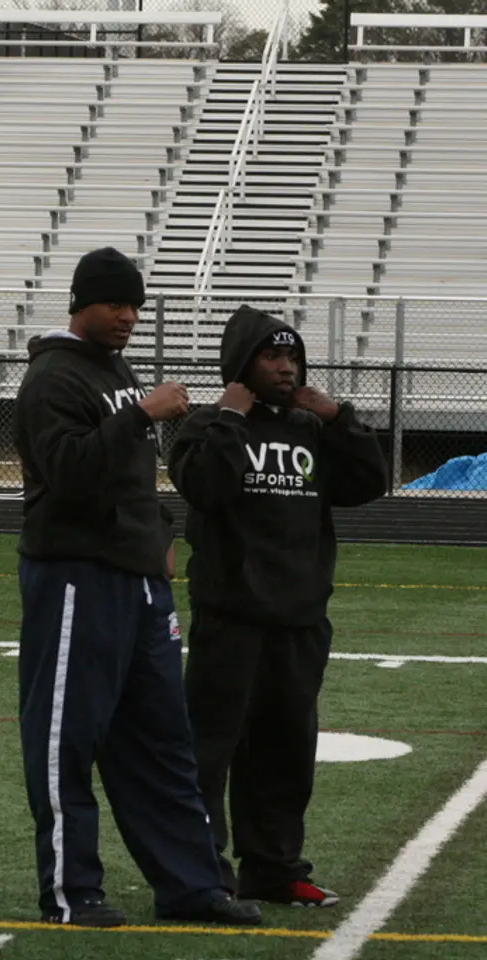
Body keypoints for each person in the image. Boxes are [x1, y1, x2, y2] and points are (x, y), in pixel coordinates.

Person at [13, 247, 262, 929]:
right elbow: (67, 471)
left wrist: (160, 532)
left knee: (161, 740)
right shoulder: (52, 378)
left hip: (137, 580)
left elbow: (129, 476)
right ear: (80, 303)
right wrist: (143, 414)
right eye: (115, 304)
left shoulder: (112, 370)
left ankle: (191, 885)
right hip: (74, 577)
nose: (128, 317)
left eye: (135, 307)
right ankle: (71, 892)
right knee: (66, 738)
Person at [168, 305, 388, 907]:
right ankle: (202, 872)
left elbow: (372, 481)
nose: (287, 368)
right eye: (272, 356)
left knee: (285, 755)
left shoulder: (309, 427)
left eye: (292, 356)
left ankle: (273, 869)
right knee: (209, 755)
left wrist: (338, 417)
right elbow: (205, 486)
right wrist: (233, 418)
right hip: (230, 622)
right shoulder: (206, 425)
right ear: (242, 363)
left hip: (300, 624)